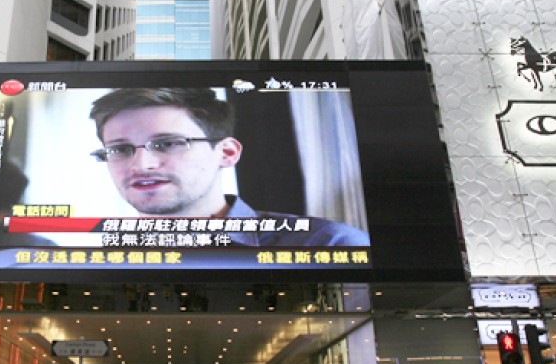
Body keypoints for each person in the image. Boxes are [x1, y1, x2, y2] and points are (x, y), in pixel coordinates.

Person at [88, 87, 369, 247]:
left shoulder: (327, 244)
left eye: (168, 143)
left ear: (227, 153)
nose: (142, 165)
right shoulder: (99, 258)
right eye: (120, 149)